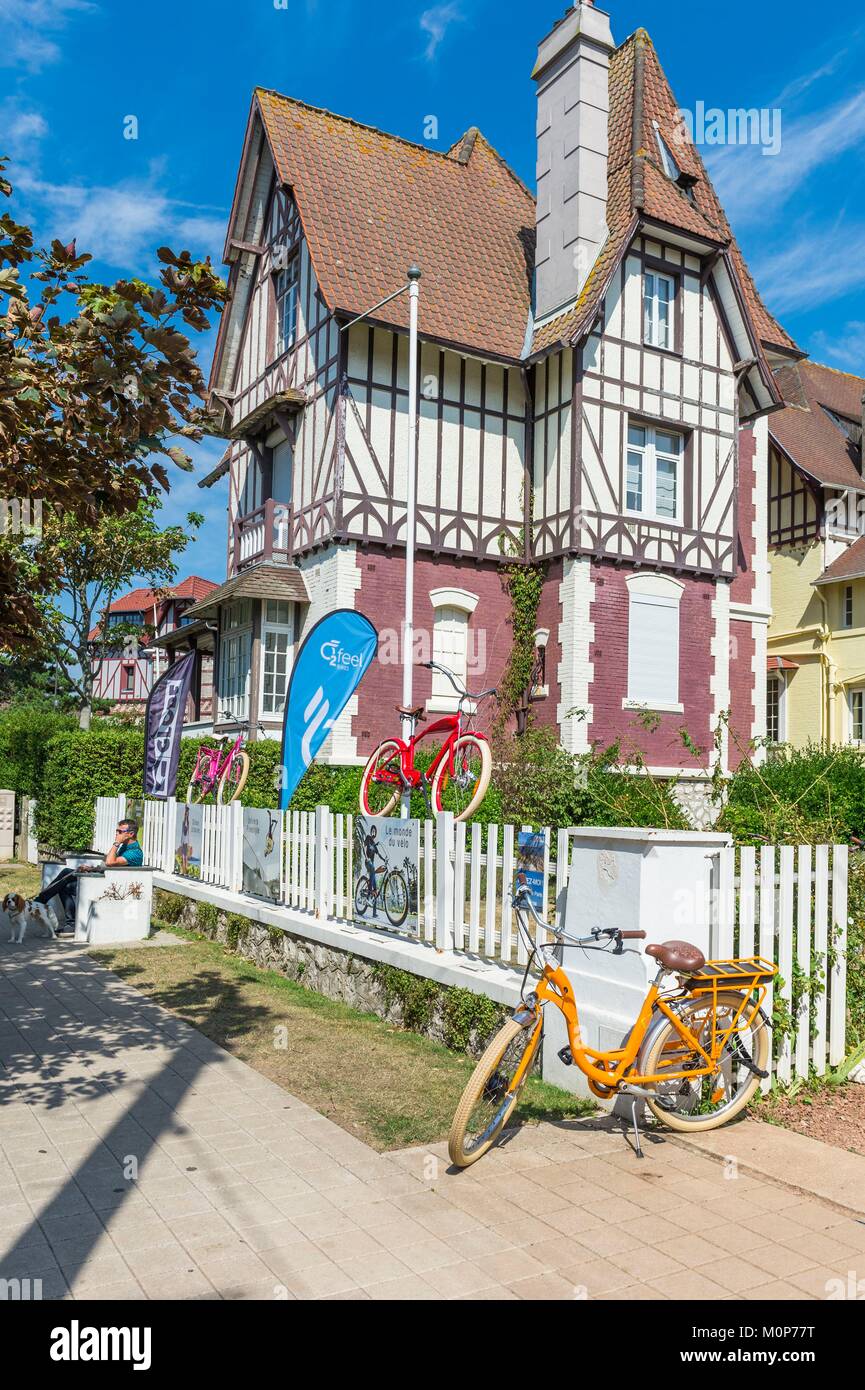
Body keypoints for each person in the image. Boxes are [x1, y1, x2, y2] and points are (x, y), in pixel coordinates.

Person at [35, 819, 143, 934]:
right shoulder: (125, 847)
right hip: (106, 880)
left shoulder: (135, 852)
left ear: (131, 834)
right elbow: (111, 866)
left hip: (110, 887)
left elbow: (110, 862)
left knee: (65, 885)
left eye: (120, 831)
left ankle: (41, 903)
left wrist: (116, 843)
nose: (117, 834)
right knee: (67, 872)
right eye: (117, 831)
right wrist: (91, 869)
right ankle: (43, 902)